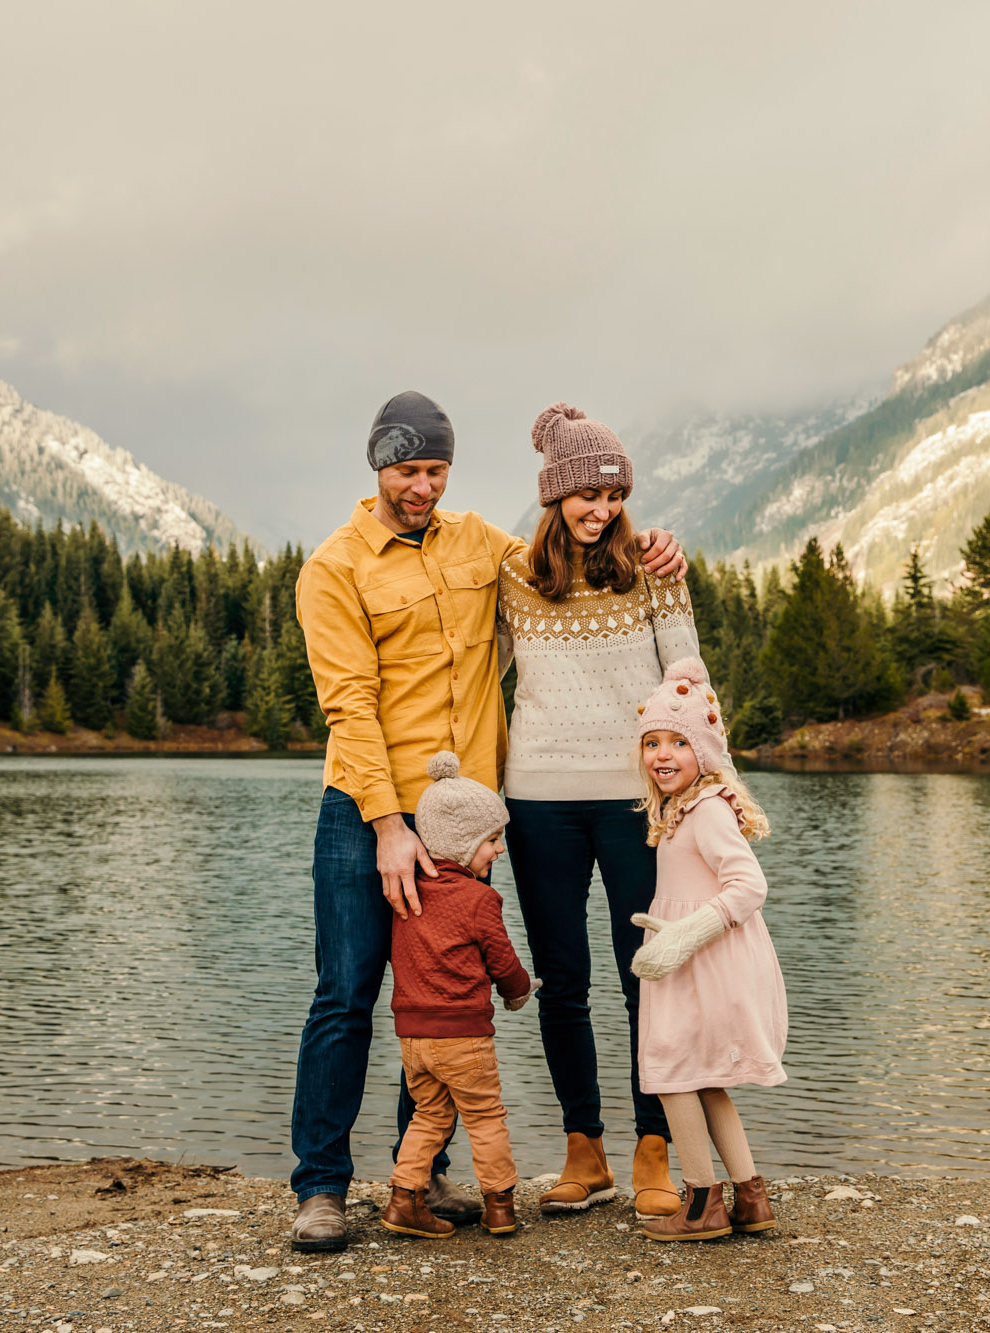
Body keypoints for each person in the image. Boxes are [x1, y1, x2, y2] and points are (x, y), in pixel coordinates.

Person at [288, 390, 685, 1252]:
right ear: (377, 469)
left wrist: (652, 541)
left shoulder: (483, 546)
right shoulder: (335, 567)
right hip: (369, 810)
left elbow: (578, 538)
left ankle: (415, 1175)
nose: (422, 485)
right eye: (407, 470)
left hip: (468, 818)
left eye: (434, 469)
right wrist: (390, 824)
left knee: (442, 998)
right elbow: (348, 706)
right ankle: (319, 1184)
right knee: (347, 993)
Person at [495, 402, 696, 1218]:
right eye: (585, 495)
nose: (601, 510)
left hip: (632, 801)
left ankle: (655, 1144)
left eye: (613, 496)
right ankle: (586, 1148)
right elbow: (475, 674)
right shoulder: (512, 576)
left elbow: (686, 677)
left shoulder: (653, 568)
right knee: (562, 981)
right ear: (554, 495)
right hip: (538, 799)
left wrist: (693, 774)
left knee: (645, 972)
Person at [629, 658, 786, 1242]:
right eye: (652, 742)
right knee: (702, 1078)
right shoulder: (680, 808)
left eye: (678, 742)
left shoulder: (709, 810)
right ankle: (750, 1197)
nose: (662, 755)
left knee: (670, 1072)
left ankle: (701, 1205)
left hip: (704, 962)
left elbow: (749, 886)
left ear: (707, 751)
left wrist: (682, 938)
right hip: (689, 961)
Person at [382, 752, 535, 1240]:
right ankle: (500, 1206)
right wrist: (519, 991)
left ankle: (405, 1200)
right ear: (463, 841)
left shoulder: (406, 893)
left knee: (429, 1115)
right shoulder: (479, 899)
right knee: (486, 1116)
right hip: (463, 1035)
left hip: (412, 1036)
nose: (499, 851)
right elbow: (502, 959)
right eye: (492, 840)